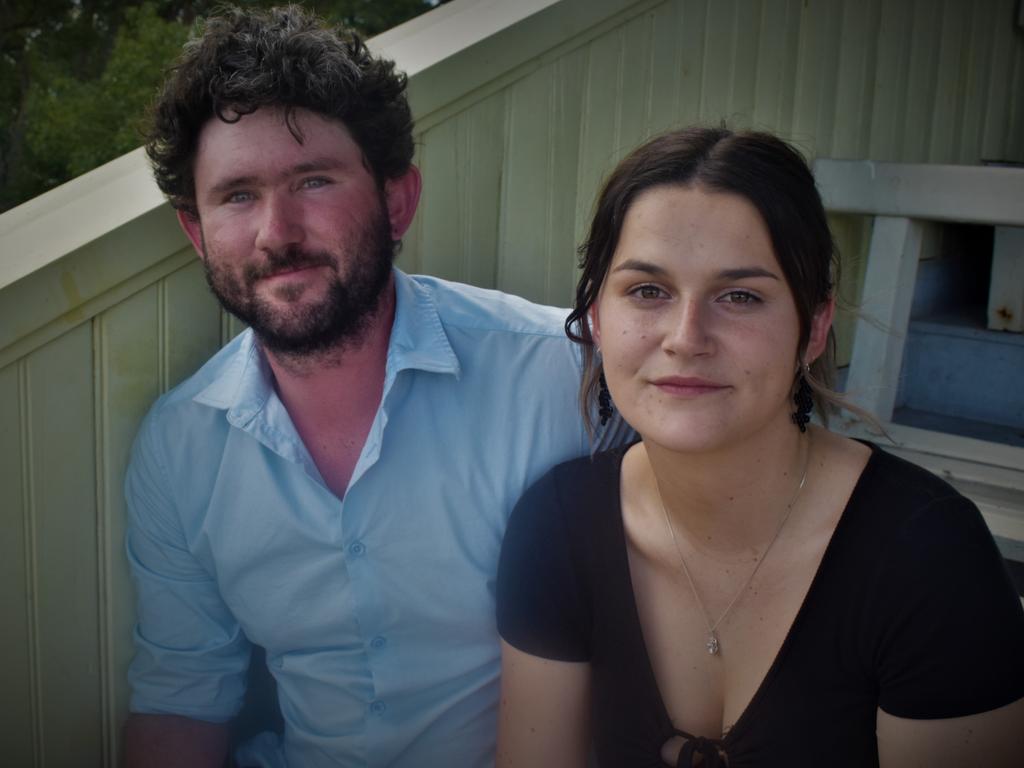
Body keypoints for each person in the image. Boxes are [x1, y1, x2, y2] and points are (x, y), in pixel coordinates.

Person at [122, 6, 626, 767]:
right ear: (196, 233)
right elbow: (181, 698)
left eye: (313, 180)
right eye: (237, 196)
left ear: (397, 202)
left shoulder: (560, 374)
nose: (276, 233)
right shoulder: (179, 445)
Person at [495, 126, 1024, 767]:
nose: (687, 337)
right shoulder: (559, 526)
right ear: (599, 320)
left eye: (740, 296)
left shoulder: (927, 557)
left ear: (815, 328)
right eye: (648, 290)